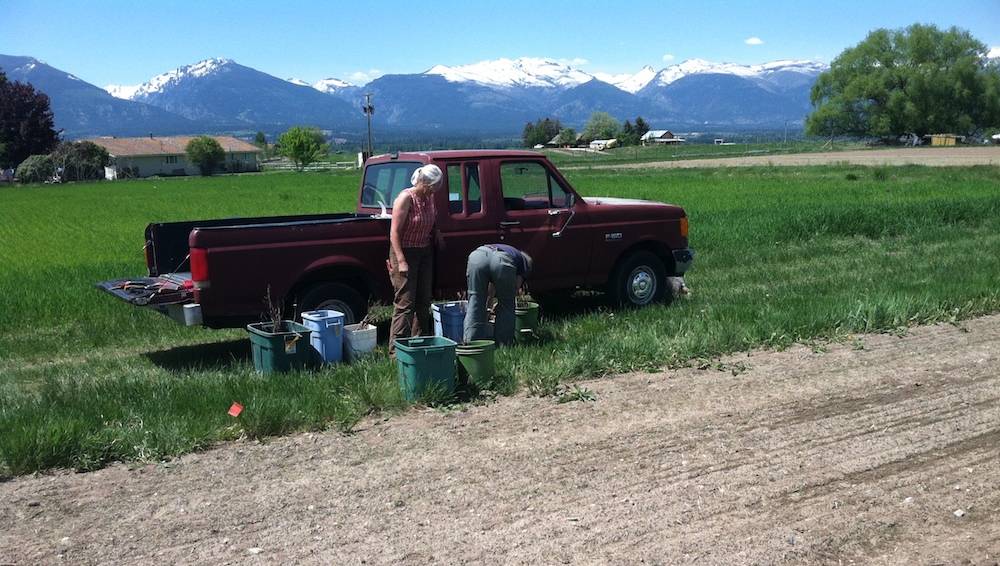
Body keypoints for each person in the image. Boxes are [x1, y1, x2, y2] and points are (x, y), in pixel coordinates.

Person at [388, 164, 443, 354]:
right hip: (405, 251)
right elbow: (394, 232)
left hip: (424, 250)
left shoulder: (429, 198)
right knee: (405, 302)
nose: (434, 191)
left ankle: (420, 343)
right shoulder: (406, 198)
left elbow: (431, 218)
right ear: (423, 182)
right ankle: (397, 351)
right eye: (432, 187)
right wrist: (401, 260)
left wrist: (436, 232)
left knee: (423, 300)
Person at [463, 244, 533, 345]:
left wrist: (489, 305)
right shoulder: (524, 264)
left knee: (475, 301)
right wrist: (501, 304)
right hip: (502, 260)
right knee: (507, 304)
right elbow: (515, 288)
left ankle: (471, 344)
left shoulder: (511, 250)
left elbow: (491, 286)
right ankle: (503, 344)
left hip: (477, 256)